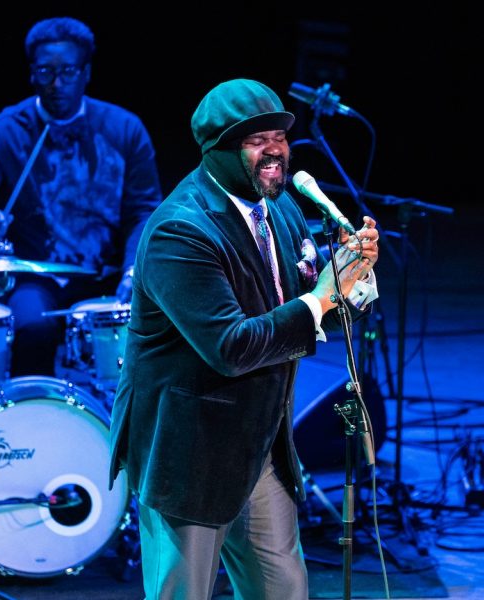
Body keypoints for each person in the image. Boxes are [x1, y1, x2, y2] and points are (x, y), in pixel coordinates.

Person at [107, 79, 379, 599]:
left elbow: (310, 299)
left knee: (283, 590)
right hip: (190, 451)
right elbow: (231, 347)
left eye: (279, 135)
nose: (275, 148)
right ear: (219, 152)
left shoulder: (280, 208)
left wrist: (354, 282)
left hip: (260, 443)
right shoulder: (179, 231)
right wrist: (323, 295)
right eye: (257, 140)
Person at [0, 17, 162, 376]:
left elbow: (144, 211)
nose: (57, 84)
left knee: (157, 321)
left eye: (68, 72)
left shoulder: (124, 129)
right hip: (33, 275)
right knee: (33, 326)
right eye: (46, 72)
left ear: (86, 72)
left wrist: (133, 270)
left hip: (105, 273)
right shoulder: (2, 132)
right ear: (32, 73)